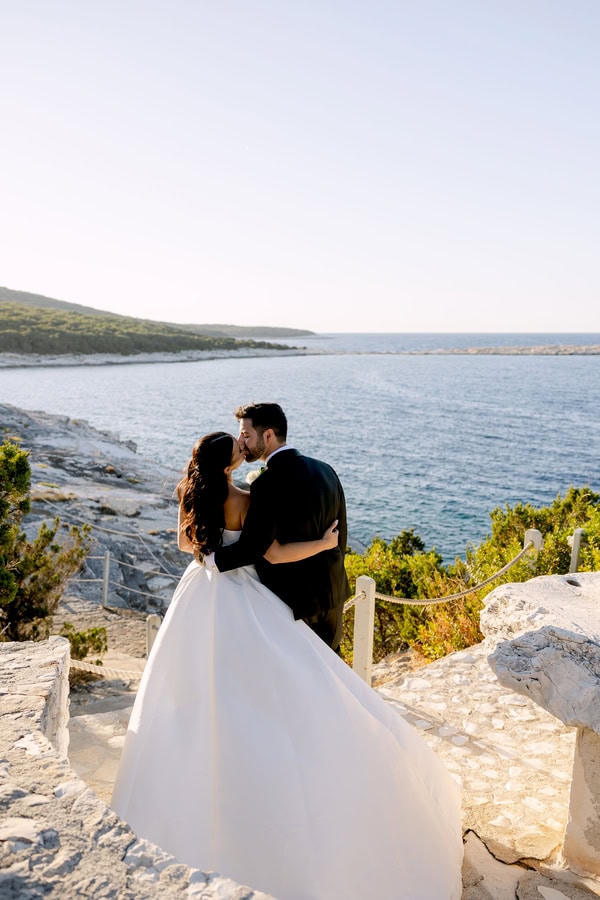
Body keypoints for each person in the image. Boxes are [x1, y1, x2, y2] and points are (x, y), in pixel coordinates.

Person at [111, 430, 463, 900]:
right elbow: (272, 553)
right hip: (243, 596)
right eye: (237, 448)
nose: (243, 448)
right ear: (230, 464)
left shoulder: (187, 493)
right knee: (270, 676)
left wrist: (209, 556)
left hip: (198, 589)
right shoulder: (246, 497)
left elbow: (182, 544)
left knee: (189, 681)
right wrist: (323, 545)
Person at [207, 402, 351, 652]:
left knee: (298, 677)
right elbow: (341, 535)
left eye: (247, 435)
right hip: (332, 592)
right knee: (329, 673)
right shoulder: (326, 470)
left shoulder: (267, 483)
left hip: (293, 602)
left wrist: (207, 558)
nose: (242, 442)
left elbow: (253, 548)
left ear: (269, 435)